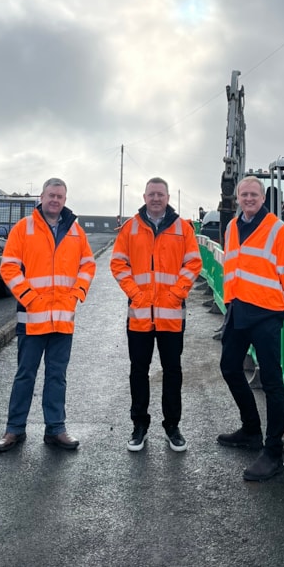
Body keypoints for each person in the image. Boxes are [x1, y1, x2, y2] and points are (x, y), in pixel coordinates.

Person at [0, 178, 96, 453]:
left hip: (62, 319)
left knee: (57, 376)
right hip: (32, 318)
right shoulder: (24, 228)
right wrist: (29, 299)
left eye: (60, 196)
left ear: (65, 199)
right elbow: (9, 268)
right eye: (51, 195)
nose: (55, 200)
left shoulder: (75, 231)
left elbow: (87, 265)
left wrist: (77, 294)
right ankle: (14, 430)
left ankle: (56, 429)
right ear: (42, 197)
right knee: (24, 375)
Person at [218, 175, 284, 481]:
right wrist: (229, 301)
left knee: (271, 383)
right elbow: (232, 266)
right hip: (238, 309)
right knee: (229, 367)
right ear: (238, 197)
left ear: (263, 197)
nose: (249, 198)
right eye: (244, 194)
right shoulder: (231, 227)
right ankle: (251, 429)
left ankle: (273, 454)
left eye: (254, 194)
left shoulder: (277, 229)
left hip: (267, 313)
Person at [110, 177, 202, 453]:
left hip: (171, 314)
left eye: (160, 194)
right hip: (139, 314)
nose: (156, 198)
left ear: (168, 196)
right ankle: (139, 425)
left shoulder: (183, 228)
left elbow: (193, 263)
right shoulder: (130, 228)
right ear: (144, 196)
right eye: (151, 194)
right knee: (139, 371)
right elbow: (118, 264)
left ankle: (172, 426)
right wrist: (136, 294)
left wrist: (176, 294)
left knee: (172, 371)